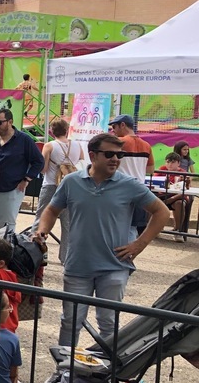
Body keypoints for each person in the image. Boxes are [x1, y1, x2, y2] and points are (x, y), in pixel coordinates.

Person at [36, 132, 170, 347]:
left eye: (119, 155)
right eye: (109, 154)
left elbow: (161, 212)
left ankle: (107, 374)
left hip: (114, 266)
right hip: (78, 265)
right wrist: (42, 229)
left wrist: (139, 244)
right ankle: (63, 371)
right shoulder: (72, 182)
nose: (115, 159)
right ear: (92, 155)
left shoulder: (129, 185)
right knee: (70, 322)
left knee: (108, 323)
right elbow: (51, 209)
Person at [0, 108, 43, 232]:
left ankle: (4, 250)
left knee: (7, 227)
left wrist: (27, 178)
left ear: (10, 122)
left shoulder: (24, 140)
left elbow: (39, 161)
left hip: (12, 189)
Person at [33, 118, 84, 264]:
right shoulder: (77, 145)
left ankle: (35, 249)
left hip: (51, 184)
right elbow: (80, 159)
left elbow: (44, 168)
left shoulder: (49, 146)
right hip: (70, 186)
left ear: (51, 131)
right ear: (67, 130)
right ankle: (65, 257)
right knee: (67, 223)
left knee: (41, 218)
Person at [156, 153, 190, 240]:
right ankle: (156, 228)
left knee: (179, 204)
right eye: (168, 162)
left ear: (178, 163)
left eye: (173, 162)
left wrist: (171, 199)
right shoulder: (162, 170)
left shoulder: (183, 173)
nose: (170, 164)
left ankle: (177, 231)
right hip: (163, 195)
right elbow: (155, 183)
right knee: (150, 201)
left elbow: (185, 191)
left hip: (177, 197)